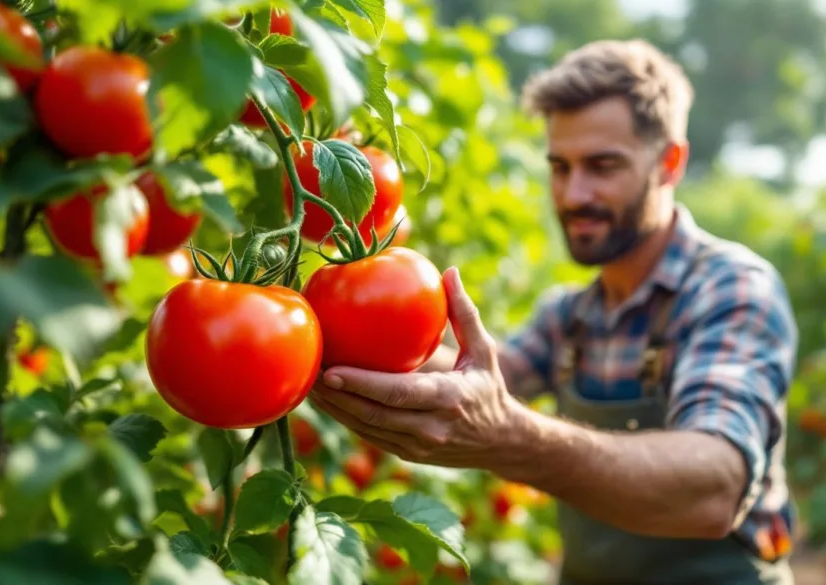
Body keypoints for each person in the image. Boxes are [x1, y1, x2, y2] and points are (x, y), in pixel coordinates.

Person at [308, 38, 799, 585]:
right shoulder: (571, 315)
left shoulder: (730, 288)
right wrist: (319, 327)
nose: (573, 194)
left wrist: (511, 437)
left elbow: (714, 489)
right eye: (560, 167)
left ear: (669, 163)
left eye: (602, 166)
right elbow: (470, 381)